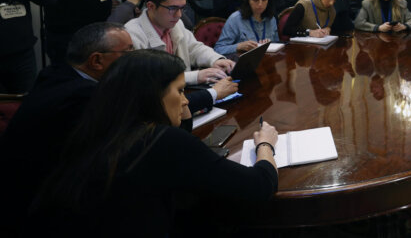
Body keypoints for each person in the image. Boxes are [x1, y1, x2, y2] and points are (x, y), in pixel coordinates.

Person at [29, 49, 279, 236]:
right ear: (151, 96)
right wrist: (265, 145)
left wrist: (179, 113)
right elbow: (259, 187)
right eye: (180, 91)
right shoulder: (161, 142)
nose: (185, 101)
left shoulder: (102, 128)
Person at [0, 22, 132, 234]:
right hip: (38, 211)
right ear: (96, 60)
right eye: (127, 52)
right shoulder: (83, 98)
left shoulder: (56, 73)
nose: (133, 58)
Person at [125, 0, 236, 86]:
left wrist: (215, 60)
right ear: (151, 6)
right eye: (172, 8)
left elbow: (194, 48)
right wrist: (195, 77)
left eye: (182, 8)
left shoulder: (175, 23)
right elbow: (149, 78)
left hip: (180, 93)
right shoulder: (131, 34)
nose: (179, 15)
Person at [215, 0, 279, 56]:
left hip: (266, 62)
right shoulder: (235, 19)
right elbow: (218, 49)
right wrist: (239, 46)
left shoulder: (271, 19)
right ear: (248, 0)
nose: (260, 4)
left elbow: (277, 45)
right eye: (256, 0)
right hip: (243, 64)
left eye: (264, 0)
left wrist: (270, 45)